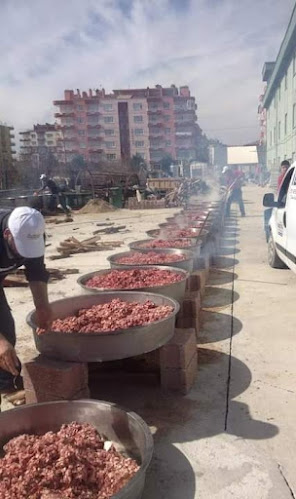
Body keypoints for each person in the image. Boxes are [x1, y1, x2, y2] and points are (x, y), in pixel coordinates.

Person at [0, 207, 52, 403]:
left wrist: (42, 307)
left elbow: (36, 270)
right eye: (20, 246)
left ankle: (6, 384)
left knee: (6, 330)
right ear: (7, 235)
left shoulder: (33, 232)